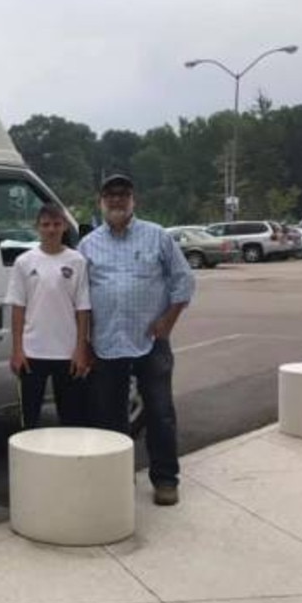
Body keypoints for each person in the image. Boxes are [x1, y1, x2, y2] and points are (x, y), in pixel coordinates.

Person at [79, 174, 195, 505]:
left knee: (159, 411)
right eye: (110, 195)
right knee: (110, 415)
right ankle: (116, 479)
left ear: (134, 199)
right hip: (107, 342)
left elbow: (183, 280)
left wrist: (168, 321)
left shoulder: (157, 236)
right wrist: (84, 341)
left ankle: (165, 480)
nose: (116, 200)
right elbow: (81, 298)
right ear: (100, 201)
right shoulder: (88, 245)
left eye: (123, 194)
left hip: (150, 341)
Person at [6, 202, 92, 430]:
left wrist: (81, 349)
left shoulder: (77, 261)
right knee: (30, 419)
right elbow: (18, 308)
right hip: (32, 352)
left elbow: (83, 309)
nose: (51, 229)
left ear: (64, 226)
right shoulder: (24, 262)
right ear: (38, 228)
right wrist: (17, 350)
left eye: (56, 224)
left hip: (68, 353)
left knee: (71, 418)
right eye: (46, 225)